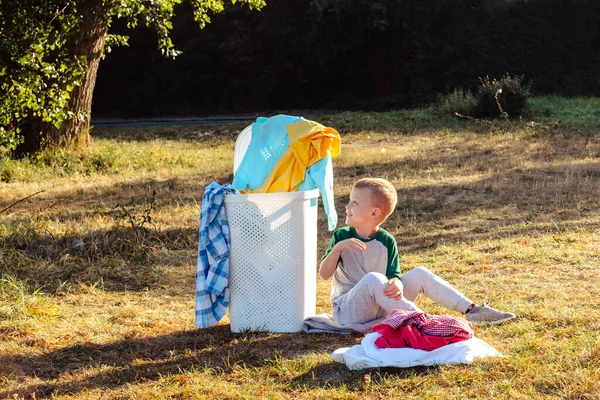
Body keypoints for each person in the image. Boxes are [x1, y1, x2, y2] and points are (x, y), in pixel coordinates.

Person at [319, 177, 516, 327]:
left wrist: (396, 283)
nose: (347, 206)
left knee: (419, 273)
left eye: (355, 202)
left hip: (382, 309)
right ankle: (424, 322)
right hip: (348, 311)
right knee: (373, 279)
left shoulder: (386, 241)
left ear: (374, 213)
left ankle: (473, 310)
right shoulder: (341, 236)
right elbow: (324, 274)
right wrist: (337, 249)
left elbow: (392, 277)